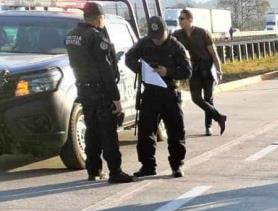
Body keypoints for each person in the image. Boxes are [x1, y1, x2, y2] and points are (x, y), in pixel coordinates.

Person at [64, 2, 134, 183]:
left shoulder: (72, 36)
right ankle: (115, 171)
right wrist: (116, 98)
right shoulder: (95, 37)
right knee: (108, 132)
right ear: (99, 18)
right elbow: (106, 69)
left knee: (92, 131)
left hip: (83, 90)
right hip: (101, 91)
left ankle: (93, 169)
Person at [125, 16, 192, 178]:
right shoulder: (144, 42)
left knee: (175, 131)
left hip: (169, 93)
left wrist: (167, 72)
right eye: (153, 37)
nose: (156, 41)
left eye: (159, 37)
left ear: (165, 32)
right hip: (150, 93)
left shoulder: (176, 46)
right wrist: (143, 70)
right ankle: (148, 165)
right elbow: (129, 58)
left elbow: (187, 71)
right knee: (145, 132)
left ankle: (177, 165)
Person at [172, 8, 227, 136]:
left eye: (182, 19)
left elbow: (213, 53)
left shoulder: (203, 33)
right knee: (196, 98)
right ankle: (219, 117)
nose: (179, 21)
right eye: (179, 19)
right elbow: (167, 43)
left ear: (190, 19)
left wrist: (219, 70)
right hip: (193, 70)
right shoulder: (177, 35)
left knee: (208, 98)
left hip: (207, 69)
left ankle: (208, 127)